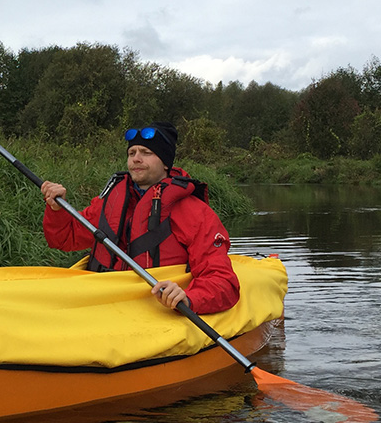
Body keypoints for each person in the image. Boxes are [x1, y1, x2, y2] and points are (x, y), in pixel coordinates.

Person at [39, 122, 240, 314]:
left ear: (165, 164)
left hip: (157, 305)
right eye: (131, 153)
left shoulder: (194, 212)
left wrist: (189, 297)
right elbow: (64, 238)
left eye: (147, 153)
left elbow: (222, 281)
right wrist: (57, 209)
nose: (136, 158)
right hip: (106, 302)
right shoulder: (109, 202)